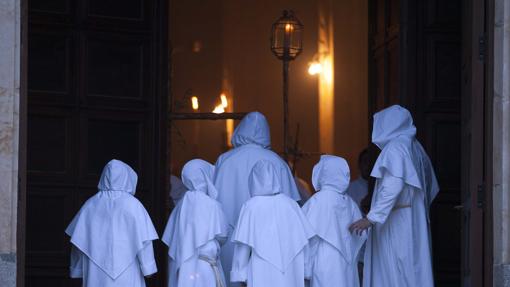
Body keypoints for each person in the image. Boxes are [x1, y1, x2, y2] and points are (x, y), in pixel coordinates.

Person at [349, 105, 439, 287]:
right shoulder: (416, 148)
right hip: (412, 217)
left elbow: (393, 185)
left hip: (397, 222)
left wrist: (372, 218)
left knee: (396, 272)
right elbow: (431, 187)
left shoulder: (396, 148)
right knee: (412, 271)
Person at [213, 111, 301, 285]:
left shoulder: (224, 160)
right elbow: (292, 208)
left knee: (233, 276)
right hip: (270, 240)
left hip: (230, 236)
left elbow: (212, 200)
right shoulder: (277, 162)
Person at [65, 159, 158, 287]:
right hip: (128, 271)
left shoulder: (90, 205)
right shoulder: (134, 205)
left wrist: (77, 269)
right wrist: (148, 268)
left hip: (96, 274)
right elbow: (145, 241)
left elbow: (78, 242)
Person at [230, 160, 315, 287]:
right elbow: (304, 242)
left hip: (261, 268)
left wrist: (240, 274)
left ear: (253, 180)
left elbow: (243, 246)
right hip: (291, 270)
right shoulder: (291, 205)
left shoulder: (250, 207)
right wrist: (306, 270)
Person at [162, 159, 230, 287]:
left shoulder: (180, 206)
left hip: (183, 268)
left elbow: (172, 238)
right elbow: (223, 235)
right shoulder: (212, 205)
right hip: (206, 268)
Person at [302, 155, 366, 287]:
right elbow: (360, 237)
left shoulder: (317, 201)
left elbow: (304, 236)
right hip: (347, 264)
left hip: (324, 261)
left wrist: (305, 268)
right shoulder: (350, 202)